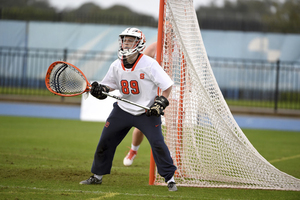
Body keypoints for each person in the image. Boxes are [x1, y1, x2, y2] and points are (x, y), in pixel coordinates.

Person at [79, 28, 177, 191]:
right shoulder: (116, 65)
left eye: (130, 40)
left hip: (146, 111)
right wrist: (100, 89)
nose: (126, 43)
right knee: (105, 140)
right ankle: (97, 176)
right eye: (124, 40)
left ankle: (170, 179)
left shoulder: (149, 64)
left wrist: (161, 102)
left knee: (158, 143)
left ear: (139, 43)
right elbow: (109, 86)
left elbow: (167, 86)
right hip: (122, 110)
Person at [123, 42, 157, 167]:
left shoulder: (182, 47)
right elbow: (139, 66)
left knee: (173, 126)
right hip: (152, 90)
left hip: (172, 89)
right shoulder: (155, 47)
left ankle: (171, 156)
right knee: (141, 125)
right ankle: (133, 150)